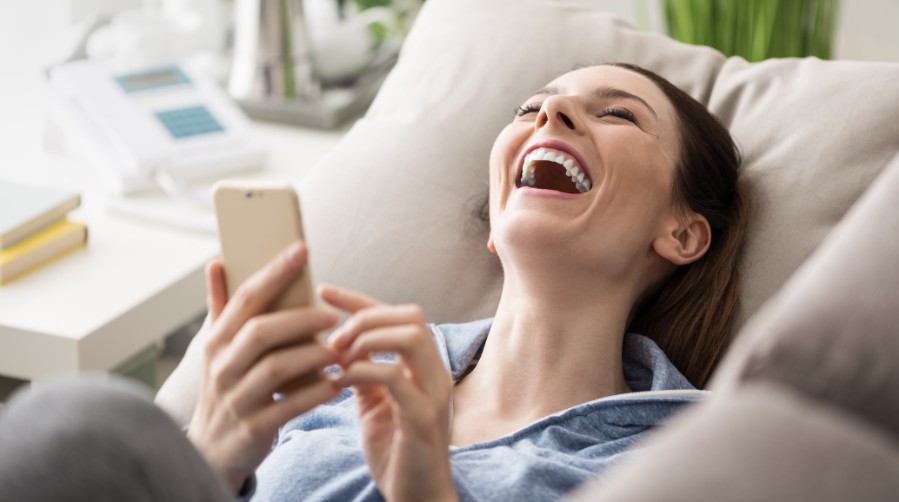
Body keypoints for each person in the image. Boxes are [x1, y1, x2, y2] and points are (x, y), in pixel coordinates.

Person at [0, 63, 746, 501]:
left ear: (683, 233)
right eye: (531, 109)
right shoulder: (348, 367)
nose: (552, 112)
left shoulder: (679, 457)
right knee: (73, 428)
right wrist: (212, 452)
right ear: (496, 220)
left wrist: (423, 486)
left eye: (617, 115)